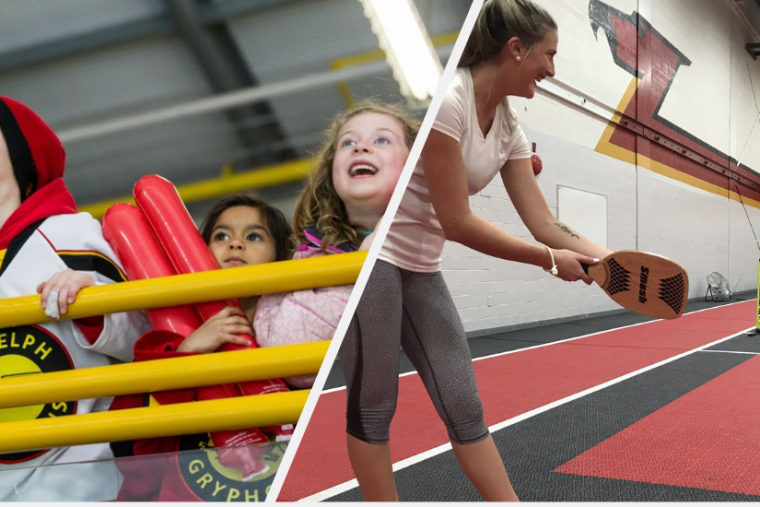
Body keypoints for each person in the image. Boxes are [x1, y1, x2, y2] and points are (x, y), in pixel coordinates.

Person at [338, 0, 614, 501]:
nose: (552, 69)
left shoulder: (510, 128)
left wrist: (614, 263)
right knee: (375, 404)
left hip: (422, 266)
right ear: (515, 49)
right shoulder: (450, 102)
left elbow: (544, 222)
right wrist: (549, 260)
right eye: (548, 55)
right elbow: (458, 221)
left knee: (463, 404)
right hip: (378, 258)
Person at [0, 96, 149, 501]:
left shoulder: (68, 234)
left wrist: (92, 305)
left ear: (20, 153)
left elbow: (142, 333)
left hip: (78, 479)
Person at [110, 194, 295, 501]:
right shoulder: (160, 348)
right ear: (194, 252)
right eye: (221, 236)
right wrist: (187, 353)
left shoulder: (296, 337)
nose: (235, 244)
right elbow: (129, 452)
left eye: (253, 236)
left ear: (280, 256)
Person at [253, 100, 420, 388]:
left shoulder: (435, 229)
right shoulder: (308, 260)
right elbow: (292, 361)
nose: (361, 147)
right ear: (331, 172)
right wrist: (358, 271)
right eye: (347, 143)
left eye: (382, 140)